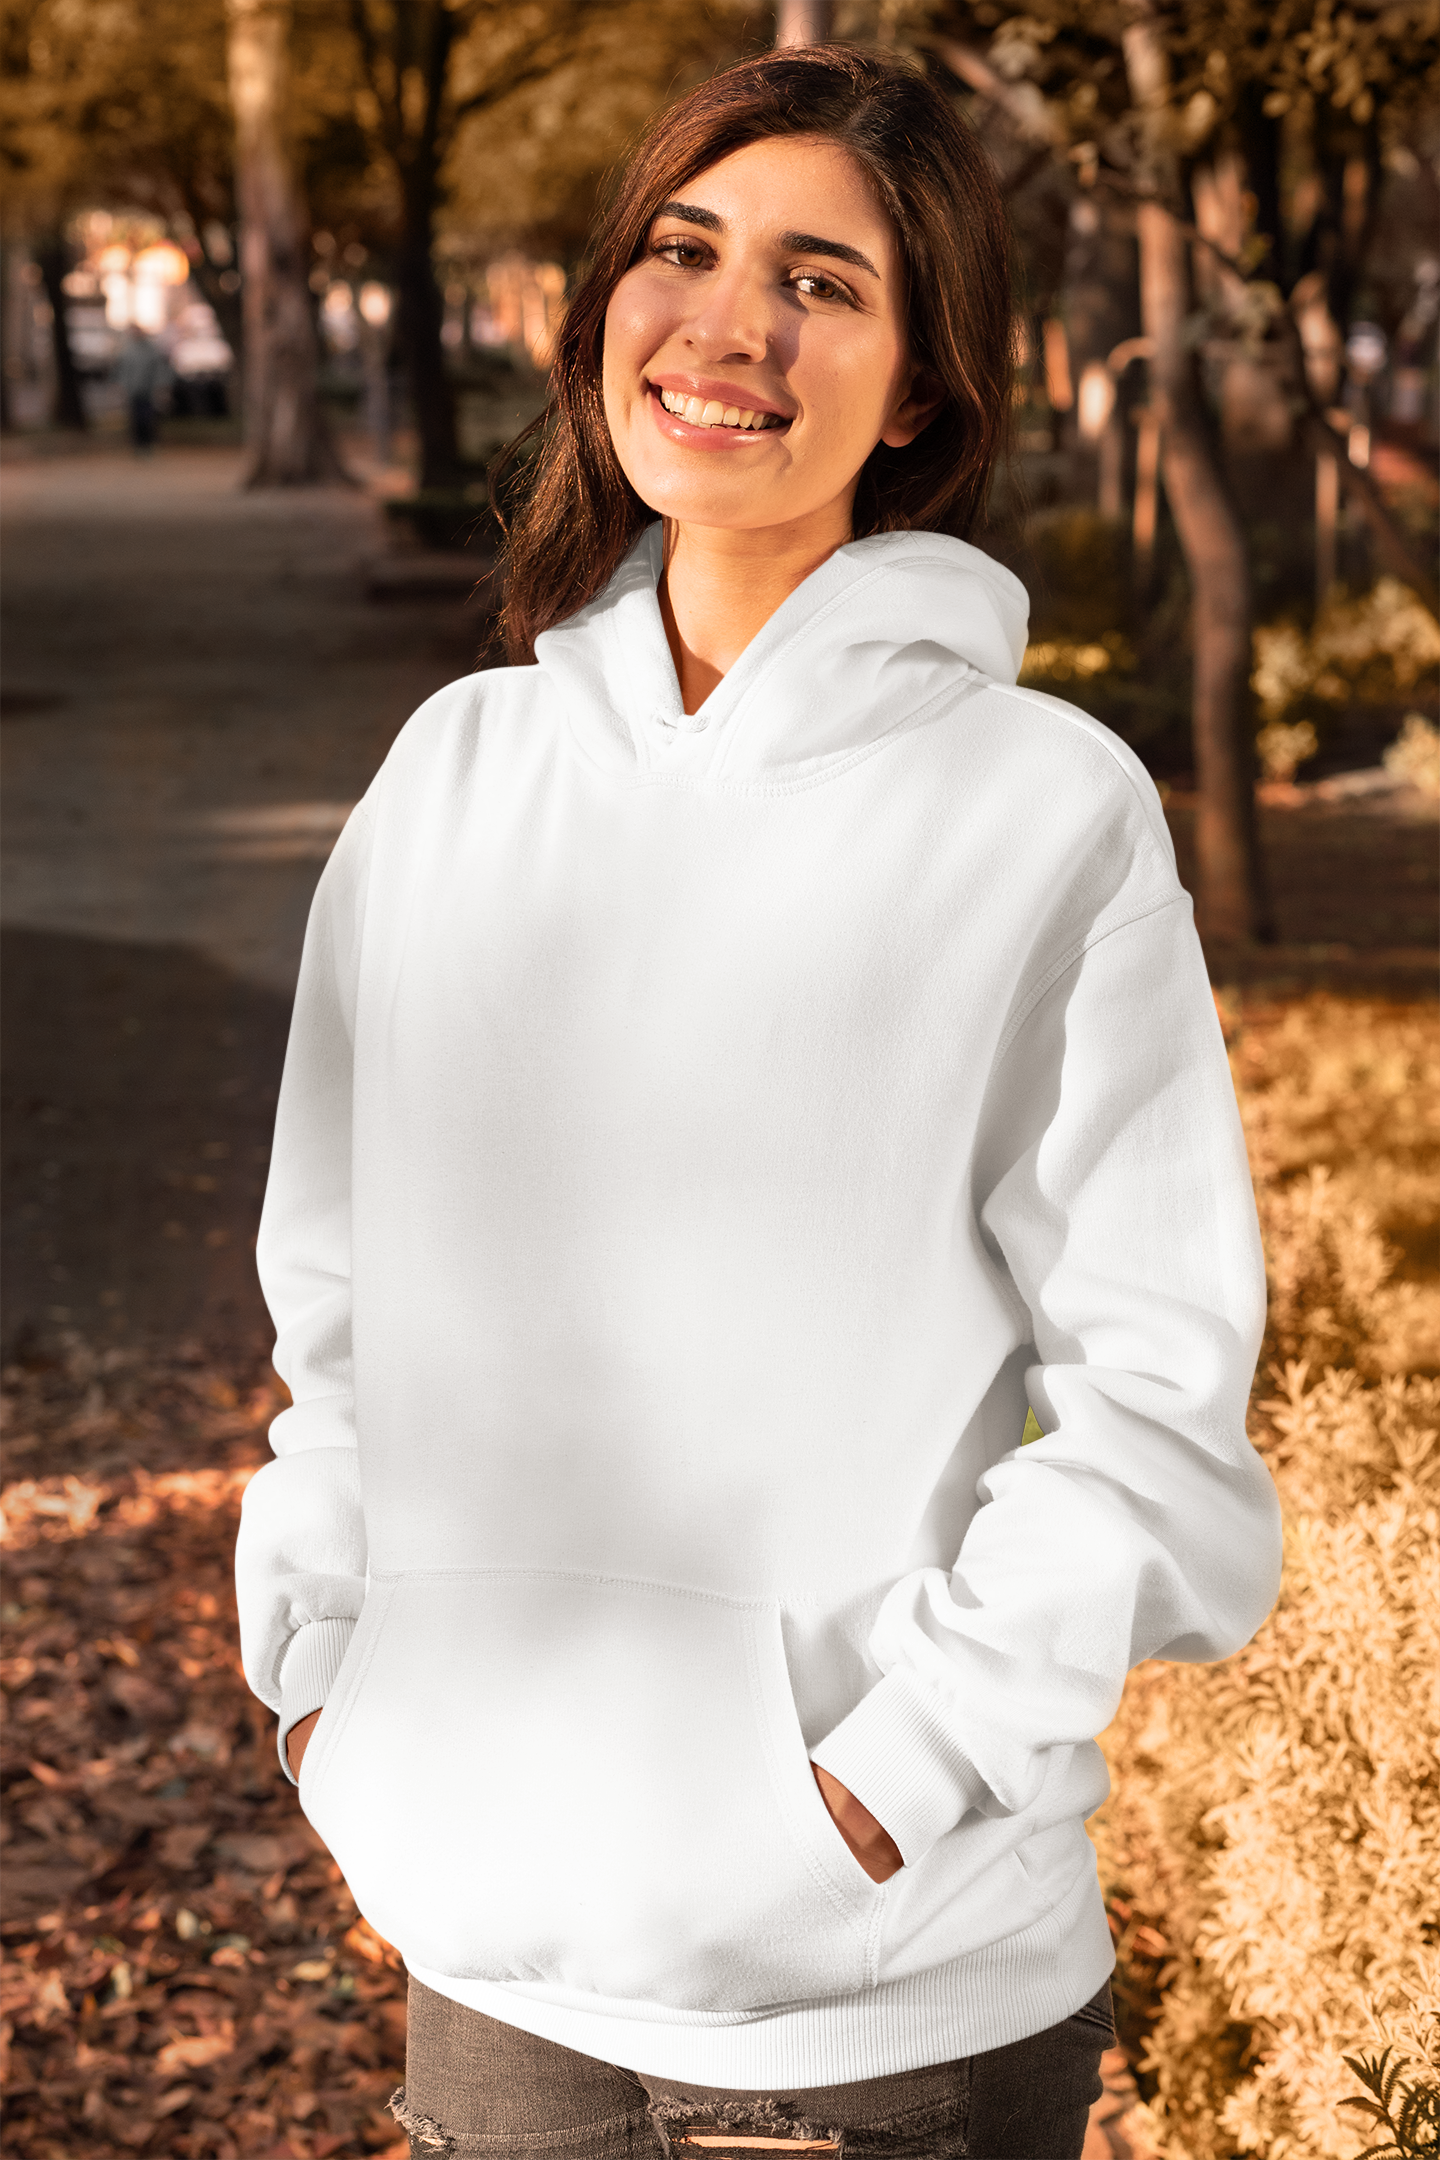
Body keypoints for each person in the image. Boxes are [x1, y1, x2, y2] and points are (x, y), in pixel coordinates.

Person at [235, 45, 1282, 2160]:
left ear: (919, 392)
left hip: (870, 2000)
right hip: (490, 1955)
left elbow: (1155, 1397)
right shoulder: (453, 776)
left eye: (823, 281)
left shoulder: (1039, 811)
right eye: (683, 251)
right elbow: (334, 1317)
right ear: (607, 300)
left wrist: (882, 1791)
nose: (728, 326)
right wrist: (330, 1684)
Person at [115, 324, 168, 452]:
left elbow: (159, 370)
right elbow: (122, 371)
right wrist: (121, 387)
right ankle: (138, 445)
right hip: (133, 391)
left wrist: (160, 387)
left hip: (148, 391)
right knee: (135, 419)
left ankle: (149, 443)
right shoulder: (127, 351)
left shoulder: (151, 350)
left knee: (148, 418)